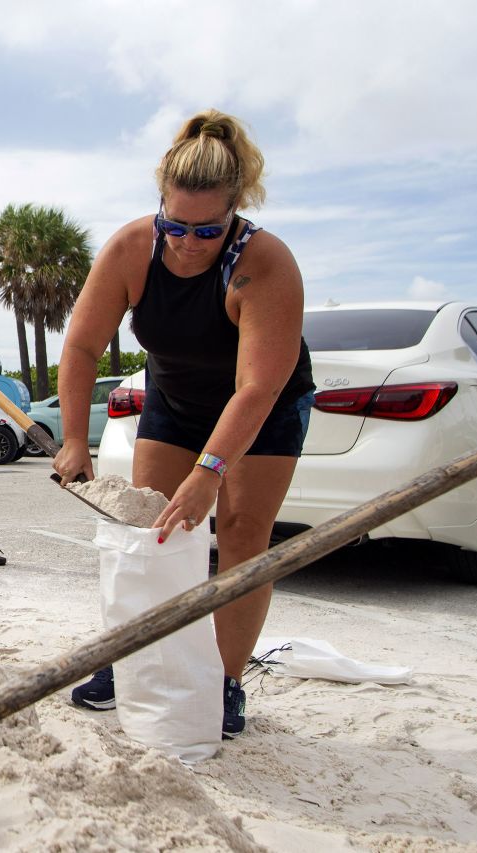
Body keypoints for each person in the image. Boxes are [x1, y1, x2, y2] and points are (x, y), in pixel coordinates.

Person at [52, 109, 315, 738]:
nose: (189, 243)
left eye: (207, 231)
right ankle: (135, 658)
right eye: (176, 226)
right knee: (153, 530)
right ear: (159, 206)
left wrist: (210, 472)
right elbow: (82, 348)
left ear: (234, 214)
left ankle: (223, 681)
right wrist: (72, 441)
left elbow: (257, 386)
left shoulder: (266, 263)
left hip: (264, 407)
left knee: (243, 536)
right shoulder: (129, 250)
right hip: (174, 398)